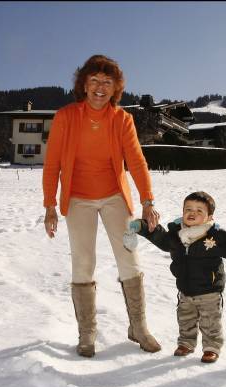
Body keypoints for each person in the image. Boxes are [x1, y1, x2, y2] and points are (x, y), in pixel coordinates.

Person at [42, 54, 161, 358]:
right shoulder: (66, 116)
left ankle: (138, 326)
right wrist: (50, 206)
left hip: (115, 198)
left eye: (107, 82)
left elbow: (136, 161)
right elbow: (52, 163)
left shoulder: (122, 120)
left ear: (115, 88)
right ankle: (87, 334)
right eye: (94, 80)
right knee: (83, 262)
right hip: (78, 199)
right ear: (83, 84)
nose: (99, 87)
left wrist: (148, 201)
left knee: (130, 258)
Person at [124, 191, 226, 363]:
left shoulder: (215, 236)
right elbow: (161, 239)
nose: (192, 213)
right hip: (185, 289)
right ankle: (186, 344)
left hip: (209, 291)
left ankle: (211, 347)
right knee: (185, 319)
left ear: (209, 216)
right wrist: (143, 227)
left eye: (199, 210)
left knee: (210, 322)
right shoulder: (176, 234)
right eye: (188, 209)